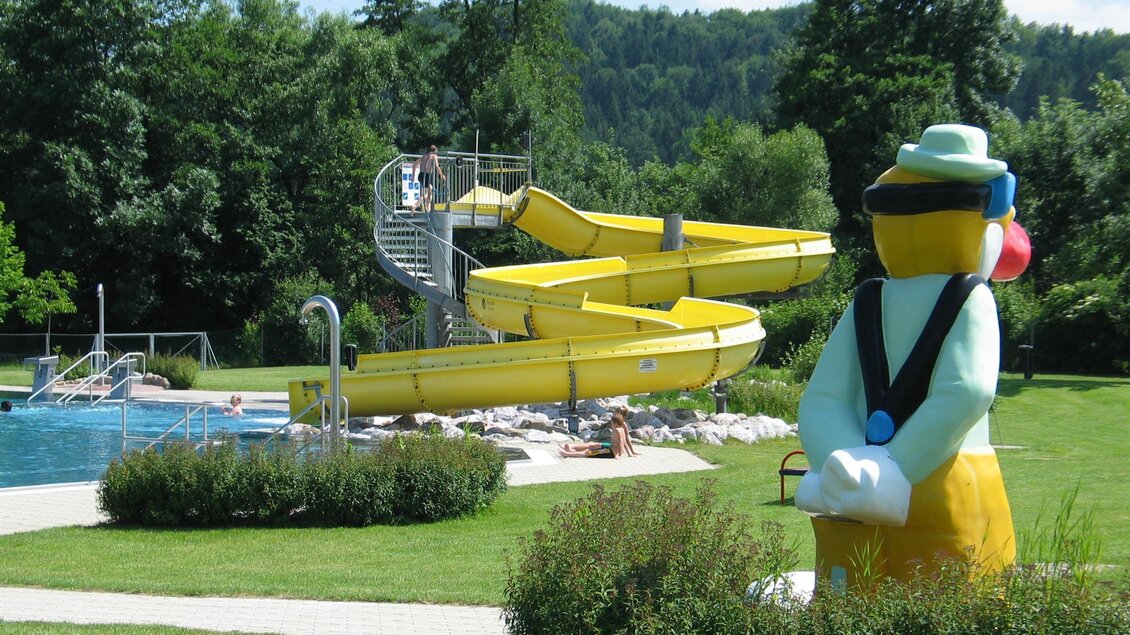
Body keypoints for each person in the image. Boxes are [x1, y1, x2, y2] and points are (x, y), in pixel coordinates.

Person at [560, 413, 639, 458]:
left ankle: (567, 453)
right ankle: (571, 448)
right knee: (592, 444)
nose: (611, 424)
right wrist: (630, 454)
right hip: (610, 447)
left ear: (615, 423)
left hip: (610, 452)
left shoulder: (618, 430)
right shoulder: (620, 429)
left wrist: (619, 455)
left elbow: (622, 442)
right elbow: (624, 442)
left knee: (587, 453)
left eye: (611, 423)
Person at [412, 144, 446, 212]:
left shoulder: (424, 156)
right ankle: (415, 205)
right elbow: (437, 167)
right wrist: (442, 175)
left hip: (420, 175)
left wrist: (413, 176)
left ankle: (427, 208)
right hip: (426, 175)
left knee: (430, 191)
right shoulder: (434, 156)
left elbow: (415, 164)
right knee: (427, 194)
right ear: (434, 151)